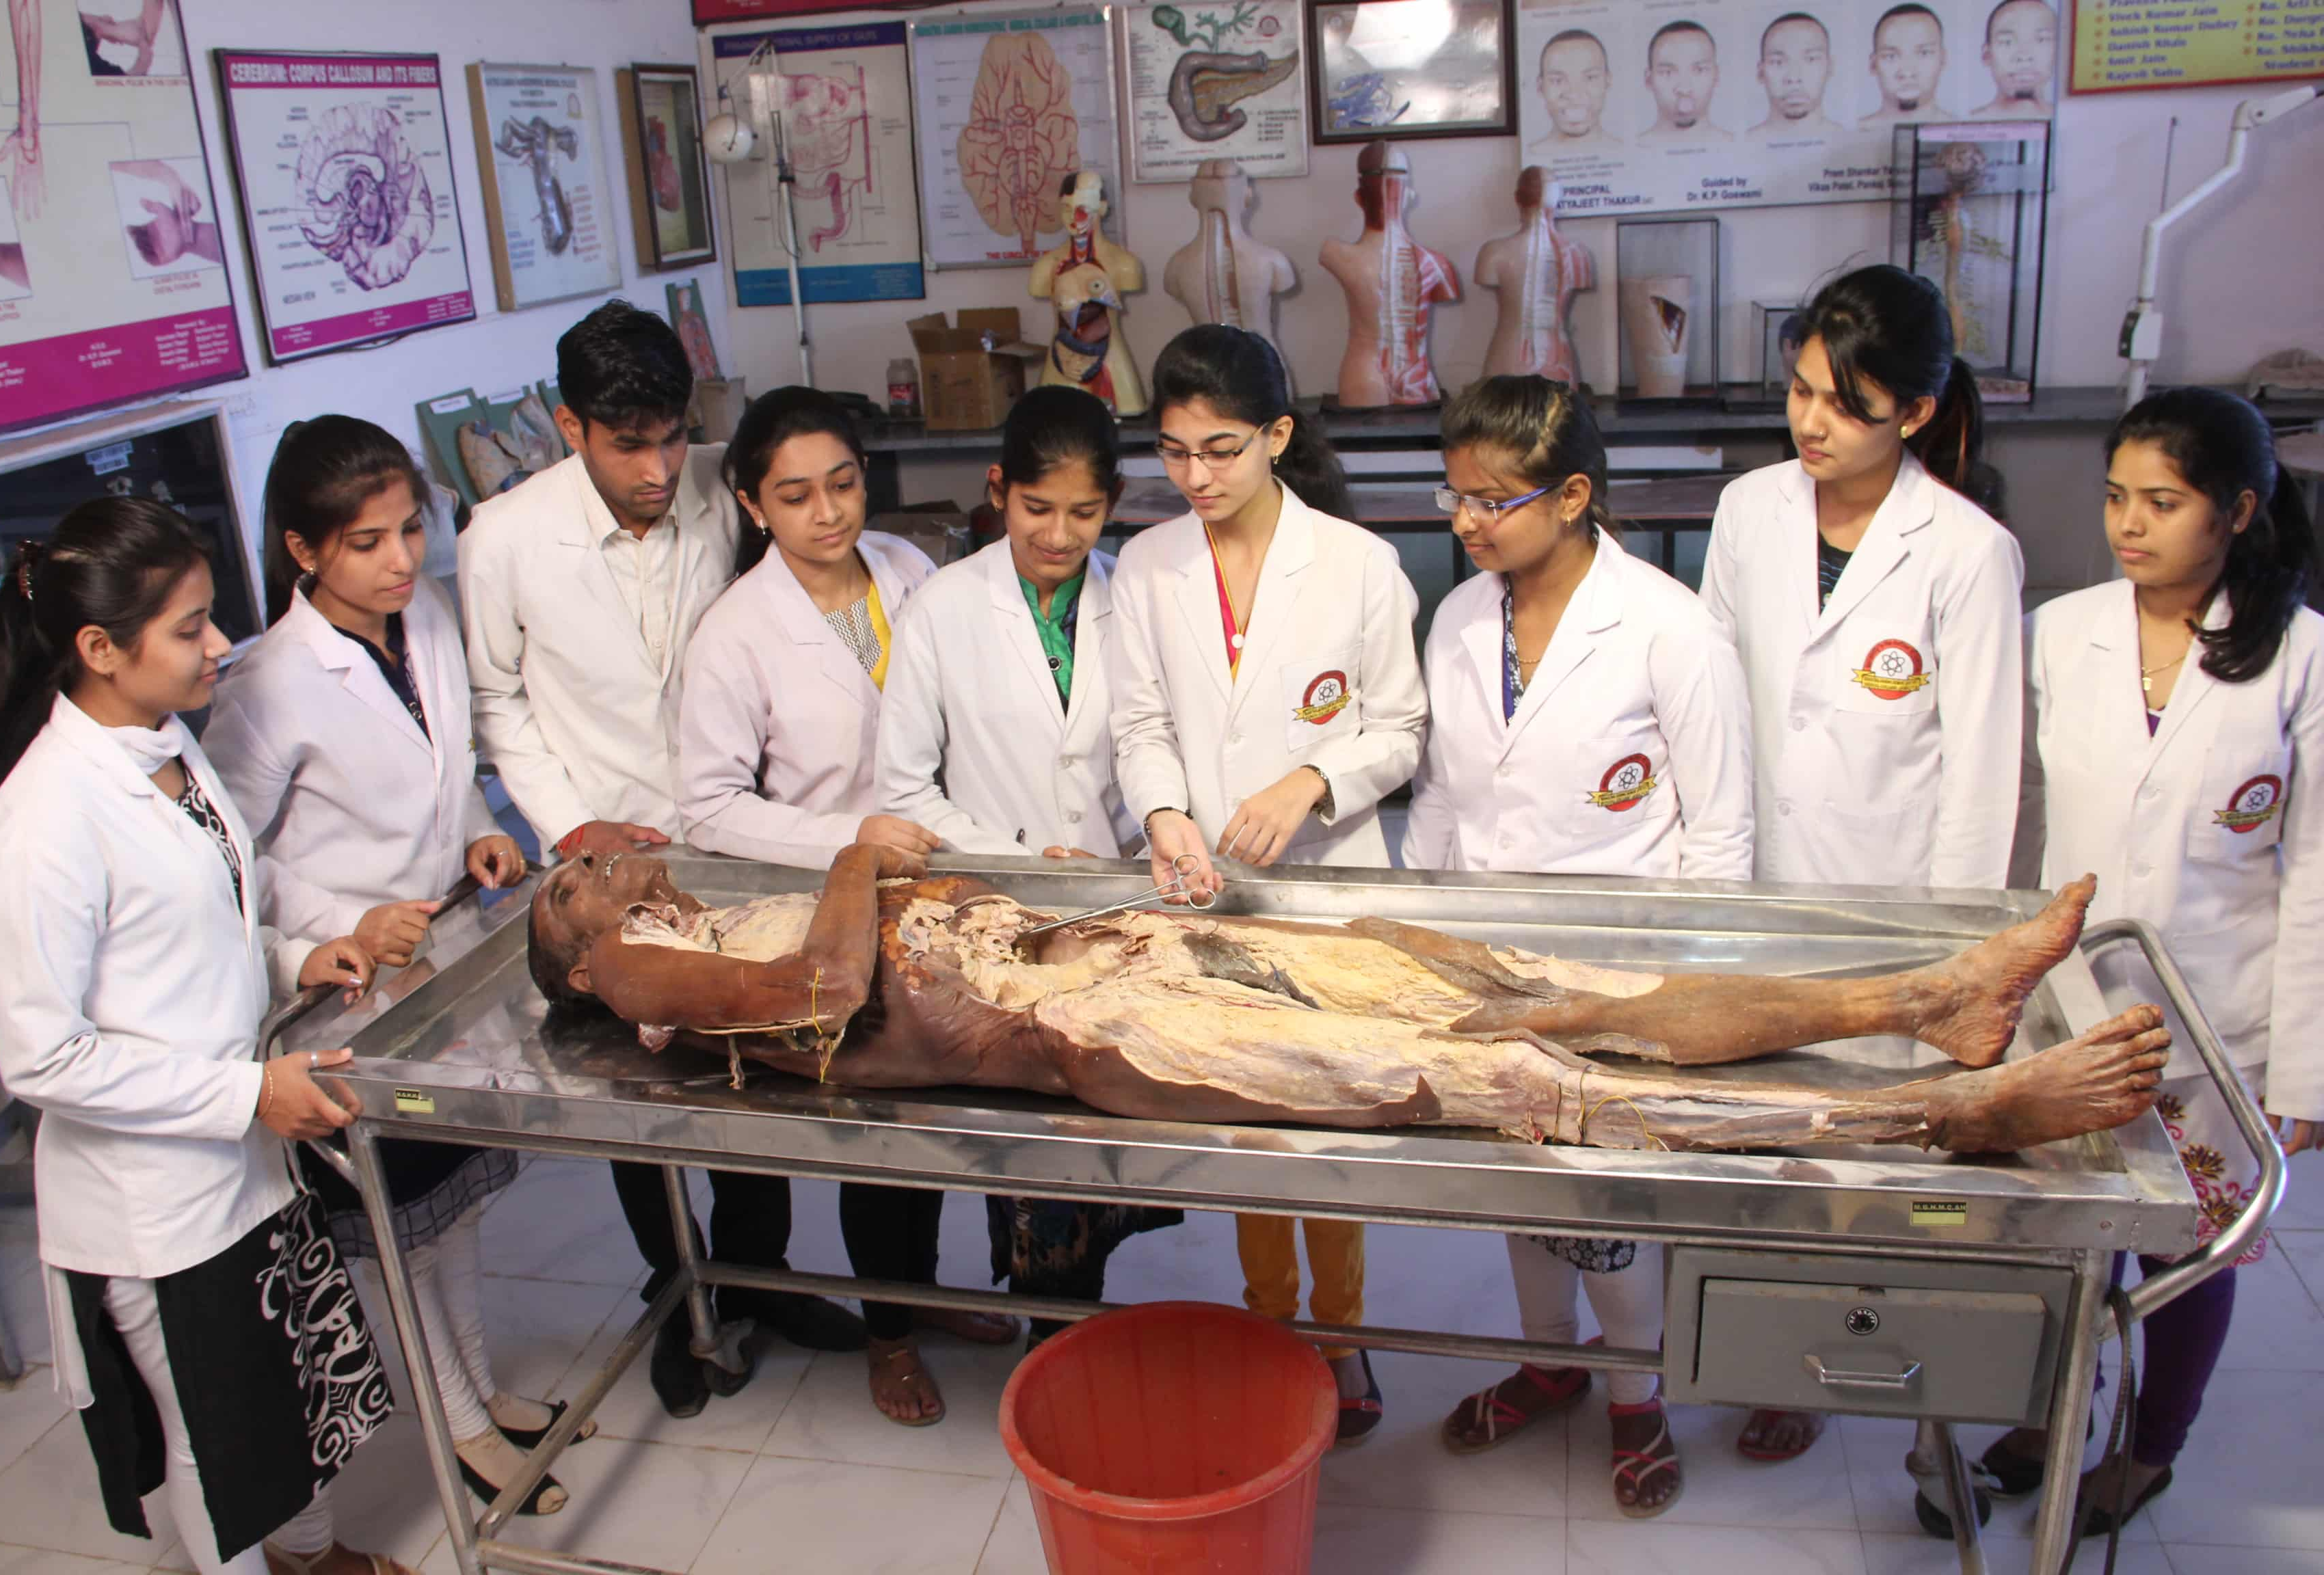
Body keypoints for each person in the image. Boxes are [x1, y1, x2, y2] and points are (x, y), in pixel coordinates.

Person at [525, 848, 2171, 1157]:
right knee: (1534, 1081)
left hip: (1125, 959)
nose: (592, 858)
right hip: (1116, 1038)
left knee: (1545, 982)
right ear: (578, 942)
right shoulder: (629, 969)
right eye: (569, 880)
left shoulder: (689, 894)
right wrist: (861, 857)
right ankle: (1948, 1110)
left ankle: (1929, 993)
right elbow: (824, 997)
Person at [0, 498, 401, 1575]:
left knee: (286, 1399)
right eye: (191, 629)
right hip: (154, 1200)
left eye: (214, 618)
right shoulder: (44, 820)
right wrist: (247, 1096)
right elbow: (41, 1055)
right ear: (99, 650)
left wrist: (298, 953)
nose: (220, 647)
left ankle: (312, 1555)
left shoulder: (167, 747)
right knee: (216, 1437)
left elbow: (198, 927)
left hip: (242, 1161)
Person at [461, 300, 862, 1420]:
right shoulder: (500, 537)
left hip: (731, 835)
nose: (655, 466)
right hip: (605, 853)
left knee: (750, 1058)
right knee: (637, 1092)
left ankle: (763, 1279)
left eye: (671, 436)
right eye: (626, 442)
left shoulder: (717, 495)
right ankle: (679, 1289)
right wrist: (565, 822)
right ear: (567, 426)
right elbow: (498, 697)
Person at [202, 416, 575, 1517]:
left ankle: (484, 1393)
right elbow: (237, 865)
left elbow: (442, 765)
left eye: (411, 528)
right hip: (344, 990)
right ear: (303, 551)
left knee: (451, 1201)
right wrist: (348, 918)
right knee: (396, 1219)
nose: (403, 558)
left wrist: (475, 830)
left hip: (439, 972)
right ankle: (457, 1424)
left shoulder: (431, 620)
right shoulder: (265, 682)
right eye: (367, 542)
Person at [1408, 376, 1750, 1516]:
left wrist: (1693, 990)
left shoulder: (1666, 624)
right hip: (1488, 951)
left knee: (1605, 1197)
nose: (1465, 521)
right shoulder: (1461, 619)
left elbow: (1721, 826)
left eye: (1491, 499)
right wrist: (1420, 925)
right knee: (1518, 1178)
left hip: (1620, 960)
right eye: (1454, 494)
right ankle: (1549, 1356)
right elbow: (1445, 799)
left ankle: (1636, 1391)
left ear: (1572, 496)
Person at [1700, 262, 2020, 1462]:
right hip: (1756, 881)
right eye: (1799, 392)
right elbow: (1714, 699)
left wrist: (1951, 958)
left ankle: (1846, 1350)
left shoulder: (1967, 553)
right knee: (1760, 1127)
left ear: (1917, 414)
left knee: (1867, 1141)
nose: (1810, 423)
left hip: (1895, 906)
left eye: (1845, 404)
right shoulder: (1750, 510)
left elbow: (1984, 772)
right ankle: (1761, 1342)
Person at [1996, 388, 2322, 1529]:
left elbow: (2316, 875)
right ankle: (2049, 1413)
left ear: (2237, 510)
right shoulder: (2063, 628)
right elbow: (2025, 815)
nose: (2129, 525)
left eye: (2163, 502)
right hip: (2069, 1004)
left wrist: (2301, 1076)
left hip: (2218, 1018)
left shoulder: (2301, 656)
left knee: (2189, 1250)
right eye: (2116, 497)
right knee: (2056, 1237)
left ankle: (2148, 1445)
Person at [1110, 323, 1428, 1441]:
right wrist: (1162, 810)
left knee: (1323, 1114)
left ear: (1279, 435)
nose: (1195, 477)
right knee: (1246, 1115)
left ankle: (1338, 1333)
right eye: (1176, 450)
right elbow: (1140, 722)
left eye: (1223, 449)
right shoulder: (1148, 565)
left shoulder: (1355, 564)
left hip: (1331, 884)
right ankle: (1267, 1322)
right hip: (1211, 888)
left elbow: (1399, 724)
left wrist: (1311, 777)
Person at [677, 385, 1016, 1425]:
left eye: (843, 483)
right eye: (796, 495)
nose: (828, 512)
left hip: (939, 889)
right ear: (752, 505)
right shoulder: (736, 634)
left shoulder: (909, 572)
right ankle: (891, 1336)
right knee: (876, 1131)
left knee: (946, 1114)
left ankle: (923, 1294)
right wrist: (846, 839)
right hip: (829, 915)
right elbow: (707, 807)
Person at [874, 384, 1175, 1346]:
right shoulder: (942, 609)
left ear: (1115, 502)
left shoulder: (1136, 597)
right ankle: (1057, 1339)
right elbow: (903, 785)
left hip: (1117, 897)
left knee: (1104, 1119)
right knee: (1023, 1131)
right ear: (998, 491)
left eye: (1083, 512)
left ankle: (1067, 1325)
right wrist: (1013, 856)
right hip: (993, 904)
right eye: (1037, 508)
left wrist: (1127, 851)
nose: (1058, 533)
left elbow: (1158, 744)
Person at [1638, 20, 1733, 146]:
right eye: (1668, 73)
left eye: (1699, 70)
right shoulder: (1632, 148)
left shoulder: (1736, 144)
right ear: (1649, 79)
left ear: (1716, 75)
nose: (1684, 89)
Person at [1750, 12, 1842, 137]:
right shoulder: (1742, 144)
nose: (1794, 78)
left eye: (1811, 59)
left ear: (1830, 67)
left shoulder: (1851, 141)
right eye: (1778, 62)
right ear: (1761, 72)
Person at [1530, 29, 1620, 153]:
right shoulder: (1532, 154)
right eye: (1557, 81)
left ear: (1608, 82)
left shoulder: (1624, 150)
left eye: (1590, 78)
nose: (1574, 95)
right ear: (1540, 87)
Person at [1863, 2, 1952, 124]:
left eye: (1924, 53)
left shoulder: (1964, 135)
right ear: (1873, 65)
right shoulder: (1850, 134)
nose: (1907, 72)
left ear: (1943, 60)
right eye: (1891, 56)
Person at [1974, 0, 2056, 116]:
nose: (2024, 56)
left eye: (2041, 40)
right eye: (2007, 42)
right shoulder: (1966, 121)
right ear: (1987, 54)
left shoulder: (2071, 121)